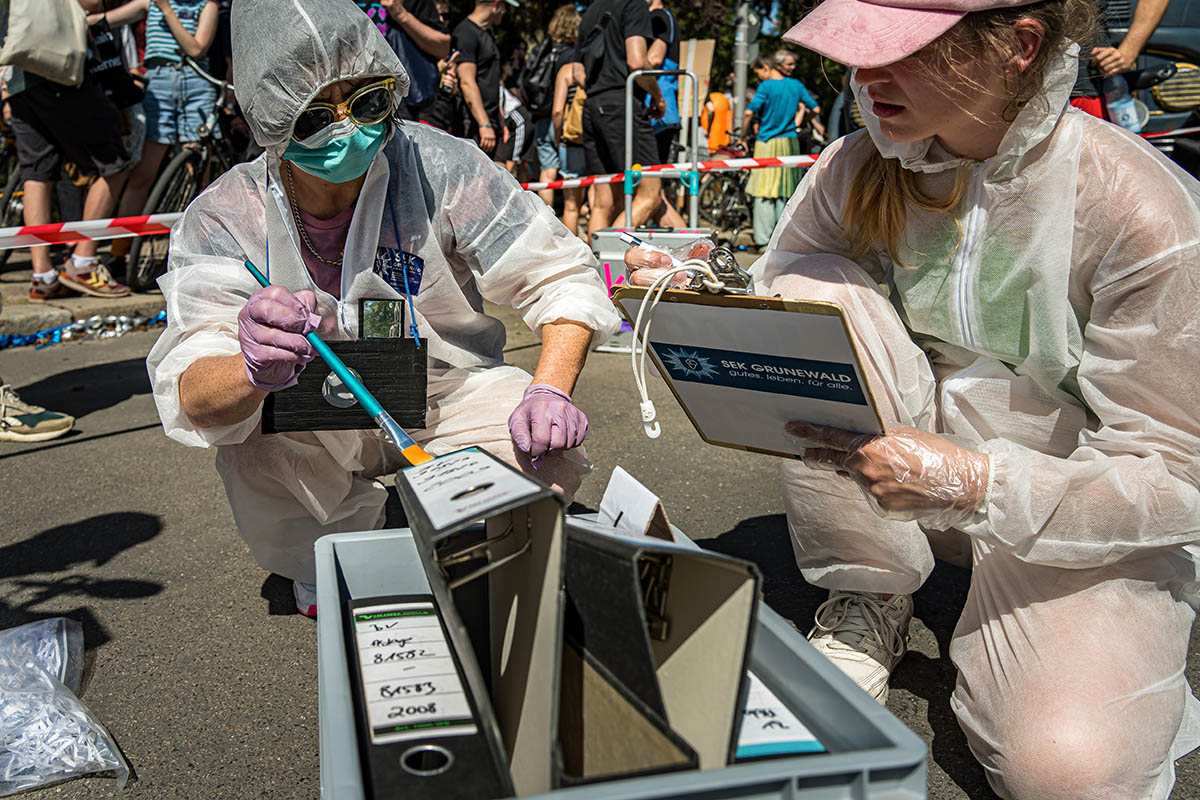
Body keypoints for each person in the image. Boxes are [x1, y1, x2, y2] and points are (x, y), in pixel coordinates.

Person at [626, 0, 1200, 795]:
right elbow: (779, 297)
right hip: (902, 479)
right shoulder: (858, 167)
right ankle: (872, 586)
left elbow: (1177, 472)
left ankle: (1079, 627)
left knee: (1072, 770)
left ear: (1019, 47)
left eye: (898, 49)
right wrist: (700, 301)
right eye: (853, 48)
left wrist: (983, 485)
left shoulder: (1134, 205)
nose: (864, 74)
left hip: (1071, 508)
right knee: (805, 294)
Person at [147, 0, 619, 618]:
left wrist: (551, 389)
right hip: (310, 419)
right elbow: (192, 389)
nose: (349, 130)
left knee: (543, 454)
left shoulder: (438, 164)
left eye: (368, 102)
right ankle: (331, 553)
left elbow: (556, 271)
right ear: (272, 120)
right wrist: (250, 369)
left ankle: (454, 524)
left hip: (442, 396)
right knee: (250, 441)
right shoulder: (224, 217)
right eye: (316, 116)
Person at [1, 0, 133, 301]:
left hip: (19, 77)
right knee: (115, 164)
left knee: (37, 174)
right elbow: (87, 3)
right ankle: (83, 262)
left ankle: (42, 275)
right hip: (58, 71)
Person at [109, 0, 219, 287]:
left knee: (196, 174)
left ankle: (199, 252)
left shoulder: (206, 6)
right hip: (158, 83)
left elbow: (196, 48)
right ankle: (118, 254)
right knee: (143, 173)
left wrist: (167, 11)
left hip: (196, 83)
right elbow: (104, 19)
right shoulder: (148, 3)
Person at [577, 0, 667, 239]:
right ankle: (607, 255)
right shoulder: (634, 5)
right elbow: (637, 61)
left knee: (604, 202)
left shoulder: (590, 11)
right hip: (622, 103)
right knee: (650, 194)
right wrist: (657, 96)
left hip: (592, 104)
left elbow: (578, 71)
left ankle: (593, 268)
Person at [739, 56, 809, 247]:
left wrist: (742, 137)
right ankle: (785, 238)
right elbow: (816, 108)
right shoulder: (796, 85)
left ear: (765, 67)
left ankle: (763, 239)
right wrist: (797, 120)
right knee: (786, 190)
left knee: (763, 190)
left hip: (767, 143)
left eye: (758, 73)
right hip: (789, 143)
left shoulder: (766, 87)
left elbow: (748, 112)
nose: (758, 78)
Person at [525, 5, 576, 207]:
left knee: (547, 169)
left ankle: (547, 216)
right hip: (564, 116)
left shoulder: (540, 50)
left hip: (541, 115)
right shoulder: (572, 54)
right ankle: (570, 214)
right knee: (571, 173)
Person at [452, 0, 517, 157]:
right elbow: (467, 82)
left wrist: (499, 118)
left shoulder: (486, 33)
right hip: (474, 123)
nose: (505, 11)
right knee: (475, 180)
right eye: (504, 6)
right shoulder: (465, 33)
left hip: (492, 121)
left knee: (500, 177)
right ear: (496, 4)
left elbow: (490, 80)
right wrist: (484, 123)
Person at [550, 21, 588, 239]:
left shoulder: (566, 71)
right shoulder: (593, 69)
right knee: (596, 202)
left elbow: (557, 110)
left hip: (570, 140)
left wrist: (558, 136)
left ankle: (574, 251)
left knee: (571, 205)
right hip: (593, 140)